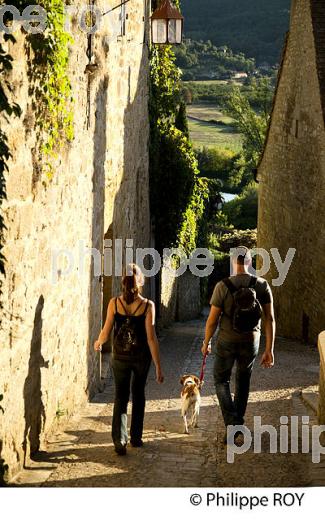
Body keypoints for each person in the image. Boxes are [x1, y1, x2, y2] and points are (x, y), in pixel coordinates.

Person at [201, 246, 275, 443]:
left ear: (233, 262)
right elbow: (270, 319)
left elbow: (212, 321)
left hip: (227, 340)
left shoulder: (222, 286)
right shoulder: (261, 285)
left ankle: (233, 425)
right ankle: (236, 424)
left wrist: (206, 342)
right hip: (251, 341)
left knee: (220, 381)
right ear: (250, 262)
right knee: (243, 383)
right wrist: (269, 349)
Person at [94, 264, 164, 455]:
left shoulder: (114, 303)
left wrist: (98, 342)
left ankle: (119, 440)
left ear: (122, 282)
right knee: (138, 395)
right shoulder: (148, 305)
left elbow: (107, 330)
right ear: (140, 282)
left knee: (120, 396)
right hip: (141, 358)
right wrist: (158, 365)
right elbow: (151, 338)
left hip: (119, 357)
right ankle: (136, 437)